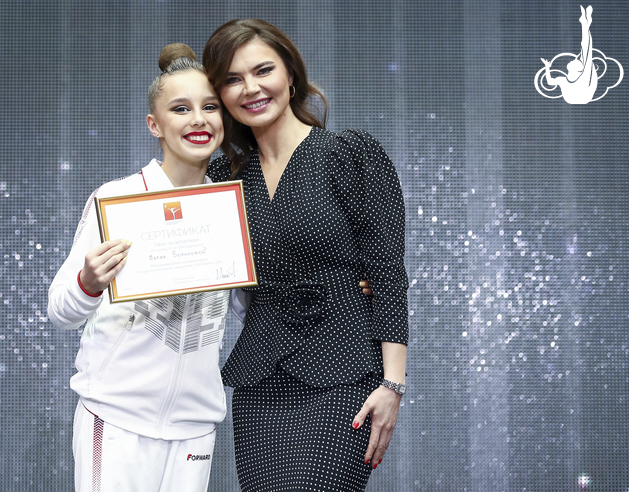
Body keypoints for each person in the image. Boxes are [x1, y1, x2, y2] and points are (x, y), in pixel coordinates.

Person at [203, 19, 409, 492]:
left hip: (345, 374)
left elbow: (388, 274)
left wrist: (392, 384)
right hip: (261, 381)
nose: (250, 88)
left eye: (262, 70)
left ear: (290, 75)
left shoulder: (350, 154)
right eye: (232, 79)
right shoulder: (223, 178)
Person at [47, 44, 229, 492]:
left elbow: (246, 308)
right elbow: (59, 311)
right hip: (115, 416)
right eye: (180, 109)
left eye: (210, 107)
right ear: (155, 124)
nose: (198, 120)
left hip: (195, 424)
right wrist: (89, 282)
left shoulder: (232, 210)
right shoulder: (117, 201)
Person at [541, 5, 597, 104]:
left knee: (586, 51)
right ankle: (585, 24)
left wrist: (547, 67)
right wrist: (547, 67)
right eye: (577, 61)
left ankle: (585, 23)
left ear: (577, 69)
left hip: (580, 96)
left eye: (576, 61)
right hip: (580, 97)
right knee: (586, 52)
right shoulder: (567, 79)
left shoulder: (571, 79)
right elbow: (550, 82)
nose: (574, 59)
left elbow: (586, 48)